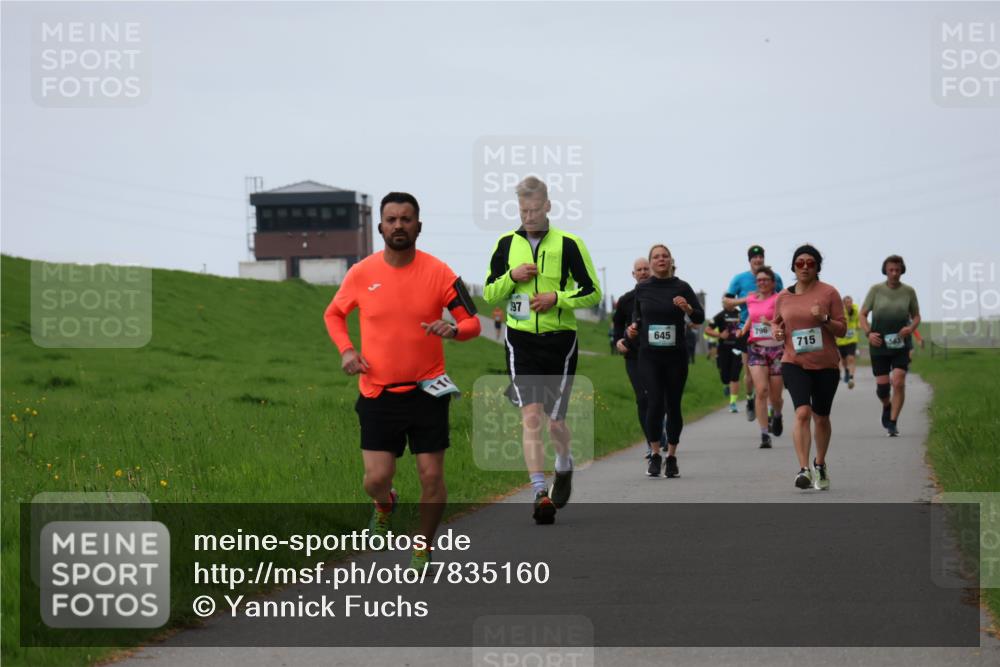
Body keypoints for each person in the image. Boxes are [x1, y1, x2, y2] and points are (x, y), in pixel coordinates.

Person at [324, 192, 481, 570]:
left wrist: (453, 329)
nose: (398, 225)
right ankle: (384, 503)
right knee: (375, 478)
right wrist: (347, 351)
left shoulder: (440, 272)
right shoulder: (361, 273)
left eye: (406, 219)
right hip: (378, 391)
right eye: (391, 219)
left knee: (431, 475)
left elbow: (474, 323)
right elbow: (334, 314)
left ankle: (423, 547)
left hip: (428, 391)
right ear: (380, 226)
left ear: (418, 226)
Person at [483, 176, 602, 524]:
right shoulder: (506, 244)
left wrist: (557, 298)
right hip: (520, 341)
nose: (530, 216)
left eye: (535, 209)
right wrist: (512, 276)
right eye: (524, 210)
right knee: (531, 416)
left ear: (548, 206)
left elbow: (592, 292)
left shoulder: (569, 244)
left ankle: (563, 465)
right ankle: (539, 492)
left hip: (560, 340)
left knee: (555, 423)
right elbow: (490, 293)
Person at [626, 244, 705, 478]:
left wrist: (688, 308)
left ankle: (671, 456)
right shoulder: (642, 289)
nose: (661, 259)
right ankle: (654, 454)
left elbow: (698, 317)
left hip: (675, 356)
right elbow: (637, 319)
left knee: (673, 404)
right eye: (656, 257)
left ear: (671, 260)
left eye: (665, 256)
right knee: (654, 404)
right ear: (650, 263)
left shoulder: (682, 287)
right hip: (649, 356)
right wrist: (632, 330)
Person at [772, 244, 846, 491]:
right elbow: (776, 323)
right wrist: (778, 331)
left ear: (817, 267)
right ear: (793, 266)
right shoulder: (783, 296)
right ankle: (804, 469)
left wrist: (824, 319)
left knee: (821, 417)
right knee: (802, 413)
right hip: (794, 362)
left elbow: (842, 329)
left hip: (826, 364)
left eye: (810, 263)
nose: (804, 267)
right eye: (800, 263)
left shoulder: (829, 293)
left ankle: (820, 463)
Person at [859, 255, 921, 437]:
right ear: (885, 271)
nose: (894, 273)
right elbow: (863, 314)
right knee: (883, 388)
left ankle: (893, 422)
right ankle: (887, 405)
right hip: (879, 343)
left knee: (899, 381)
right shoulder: (876, 290)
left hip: (901, 343)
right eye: (891, 270)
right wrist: (868, 333)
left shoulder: (909, 291)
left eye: (897, 270)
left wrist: (910, 328)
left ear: (902, 271)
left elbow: (917, 316)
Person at [724, 245, 784, 423]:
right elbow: (726, 302)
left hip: (771, 328)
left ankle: (773, 408)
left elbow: (782, 300)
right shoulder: (739, 279)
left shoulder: (775, 278)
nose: (758, 261)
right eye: (754, 258)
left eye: (761, 258)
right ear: (749, 260)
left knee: (771, 378)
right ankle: (750, 399)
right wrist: (747, 299)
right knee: (749, 373)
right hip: (747, 327)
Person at [739, 265, 785, 448]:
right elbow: (752, 316)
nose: (762, 283)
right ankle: (764, 434)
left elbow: (784, 321)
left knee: (776, 396)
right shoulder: (751, 299)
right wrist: (743, 329)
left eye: (766, 279)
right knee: (762, 391)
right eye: (759, 280)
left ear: (773, 282)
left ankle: (778, 415)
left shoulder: (779, 299)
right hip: (756, 348)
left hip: (776, 350)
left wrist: (771, 323)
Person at [613, 257, 653, 456]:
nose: (643, 272)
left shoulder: (661, 295)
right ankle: (650, 440)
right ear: (633, 274)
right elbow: (617, 327)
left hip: (658, 354)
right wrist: (619, 341)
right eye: (640, 269)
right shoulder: (626, 299)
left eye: (646, 269)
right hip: (634, 355)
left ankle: (660, 428)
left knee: (658, 397)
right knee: (642, 398)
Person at [704, 293, 743, 414]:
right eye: (725, 300)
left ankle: (733, 403)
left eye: (731, 300)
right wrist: (719, 335)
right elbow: (707, 329)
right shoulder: (719, 316)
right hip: (723, 349)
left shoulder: (740, 315)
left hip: (737, 348)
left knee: (734, 375)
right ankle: (725, 385)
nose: (728, 302)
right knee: (724, 375)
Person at [836, 295, 860, 388]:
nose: (849, 304)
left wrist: (858, 325)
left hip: (852, 339)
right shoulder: (840, 312)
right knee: (843, 360)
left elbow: (858, 320)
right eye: (847, 302)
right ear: (843, 303)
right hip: (841, 340)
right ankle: (846, 370)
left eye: (850, 302)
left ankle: (851, 377)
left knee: (851, 358)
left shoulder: (856, 310)